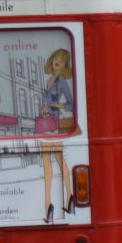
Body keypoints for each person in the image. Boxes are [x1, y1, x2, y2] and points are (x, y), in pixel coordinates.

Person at [37, 48, 79, 222]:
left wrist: (55, 105)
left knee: (55, 160)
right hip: (45, 122)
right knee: (52, 161)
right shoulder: (49, 80)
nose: (57, 62)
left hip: (55, 123)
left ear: (64, 65)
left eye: (61, 61)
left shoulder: (61, 82)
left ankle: (53, 204)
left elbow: (70, 104)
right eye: (56, 58)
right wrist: (44, 108)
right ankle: (63, 200)